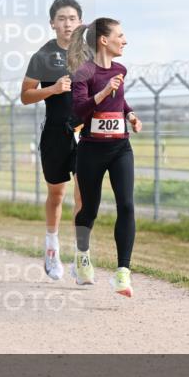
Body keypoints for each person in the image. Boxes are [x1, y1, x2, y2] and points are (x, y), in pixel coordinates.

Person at [69, 18, 141, 298]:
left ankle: (123, 273)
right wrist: (102, 92)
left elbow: (118, 99)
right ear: (104, 40)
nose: (124, 41)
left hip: (120, 147)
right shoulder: (83, 73)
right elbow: (78, 112)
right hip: (91, 149)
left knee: (127, 205)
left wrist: (130, 114)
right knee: (89, 209)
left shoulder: (121, 69)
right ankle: (83, 255)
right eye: (120, 36)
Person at [20, 0, 84, 281]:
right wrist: (54, 89)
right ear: (52, 23)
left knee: (84, 194)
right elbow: (25, 95)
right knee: (57, 194)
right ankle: (51, 248)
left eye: (72, 18)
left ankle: (82, 257)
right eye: (61, 18)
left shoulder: (92, 54)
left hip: (85, 133)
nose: (67, 23)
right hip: (55, 132)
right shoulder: (43, 56)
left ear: (80, 22)